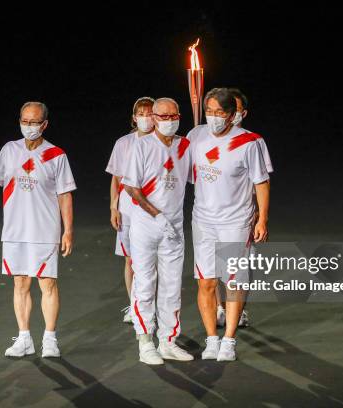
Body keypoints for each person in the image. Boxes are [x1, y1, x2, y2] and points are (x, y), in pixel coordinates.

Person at [0, 101, 76, 358]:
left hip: (45, 230)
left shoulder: (56, 155)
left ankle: (50, 339)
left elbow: (65, 195)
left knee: (47, 284)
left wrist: (68, 230)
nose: (28, 126)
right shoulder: (10, 150)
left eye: (34, 122)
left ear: (45, 124)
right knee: (20, 283)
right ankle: (24, 338)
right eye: (24, 121)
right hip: (15, 230)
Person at [187, 88, 270, 361]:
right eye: (208, 111)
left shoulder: (250, 142)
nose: (212, 117)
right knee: (206, 283)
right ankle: (212, 339)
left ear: (232, 115)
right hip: (203, 221)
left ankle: (229, 340)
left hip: (235, 221)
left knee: (233, 281)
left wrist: (262, 219)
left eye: (219, 113)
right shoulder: (196, 135)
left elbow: (261, 182)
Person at [122, 97, 194, 365]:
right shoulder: (141, 146)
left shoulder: (186, 145)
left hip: (174, 227)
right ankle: (145, 341)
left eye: (173, 116)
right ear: (153, 118)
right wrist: (157, 215)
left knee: (172, 285)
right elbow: (132, 188)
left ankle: (168, 340)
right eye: (163, 116)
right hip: (146, 226)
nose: (169, 121)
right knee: (145, 283)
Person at [215, 88, 274, 328]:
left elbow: (262, 180)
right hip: (214, 213)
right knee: (218, 265)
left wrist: (260, 212)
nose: (231, 115)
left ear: (242, 113)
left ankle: (240, 311)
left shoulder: (254, 140)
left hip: (243, 213)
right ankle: (221, 308)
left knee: (240, 267)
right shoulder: (212, 138)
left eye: (236, 110)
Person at [106, 97, 155, 323]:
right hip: (128, 207)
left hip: (153, 206)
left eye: (150, 113)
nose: (146, 118)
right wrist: (113, 207)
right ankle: (134, 304)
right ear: (134, 118)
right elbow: (116, 179)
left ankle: (151, 304)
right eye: (141, 114)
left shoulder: (164, 142)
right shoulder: (123, 143)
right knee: (130, 259)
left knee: (152, 259)